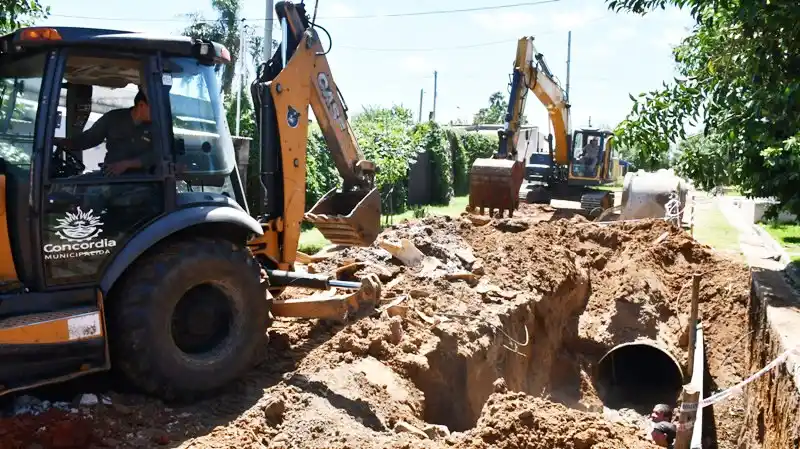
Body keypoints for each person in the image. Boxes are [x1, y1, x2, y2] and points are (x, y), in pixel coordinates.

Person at [54, 90, 156, 176]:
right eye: (155, 107)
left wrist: (127, 164)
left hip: (142, 180)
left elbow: (159, 154)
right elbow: (89, 138)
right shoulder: (114, 118)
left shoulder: (158, 128)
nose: (158, 111)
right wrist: (62, 143)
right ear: (141, 105)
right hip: (110, 175)